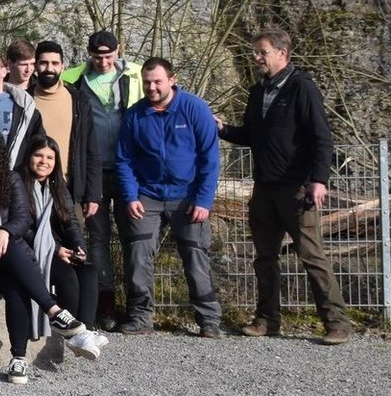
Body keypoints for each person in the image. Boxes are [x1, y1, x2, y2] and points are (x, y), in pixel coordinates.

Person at [218, 29, 351, 344]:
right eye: (256, 52)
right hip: (264, 187)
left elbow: (322, 137)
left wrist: (318, 180)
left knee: (311, 255)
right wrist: (222, 129)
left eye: (262, 52)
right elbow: (251, 135)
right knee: (265, 257)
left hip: (296, 188)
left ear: (282, 53)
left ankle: (336, 323)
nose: (257, 58)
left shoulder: (301, 88)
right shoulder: (257, 92)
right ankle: (267, 320)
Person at [0, 125, 104, 385]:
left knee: (13, 279)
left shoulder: (10, 178)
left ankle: (18, 358)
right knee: (13, 251)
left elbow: (21, 218)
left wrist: (5, 232)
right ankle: (54, 311)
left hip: (8, 255)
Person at [115, 57, 222, 336]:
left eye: (157, 81)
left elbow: (210, 158)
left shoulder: (194, 109)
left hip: (187, 195)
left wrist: (203, 200)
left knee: (195, 254)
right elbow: (124, 160)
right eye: (147, 82)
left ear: (171, 80)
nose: (151, 87)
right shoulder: (135, 115)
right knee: (138, 254)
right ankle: (140, 317)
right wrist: (130, 196)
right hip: (146, 195)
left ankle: (209, 319)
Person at [61, 29, 146, 327]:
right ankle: (104, 303)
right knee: (97, 239)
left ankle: (138, 306)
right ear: (89, 53)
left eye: (109, 56)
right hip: (92, 171)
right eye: (97, 56)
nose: (103, 62)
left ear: (118, 51)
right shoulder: (72, 79)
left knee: (134, 237)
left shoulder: (137, 75)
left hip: (129, 170)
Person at [24, 136, 100, 350]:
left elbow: (71, 222)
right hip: (33, 248)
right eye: (38, 155)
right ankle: (73, 334)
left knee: (89, 271)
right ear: (29, 156)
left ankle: (88, 330)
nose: (44, 161)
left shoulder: (58, 186)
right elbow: (21, 227)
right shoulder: (19, 184)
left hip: (59, 247)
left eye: (50, 157)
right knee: (67, 276)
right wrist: (55, 250)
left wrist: (78, 246)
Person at [28, 40, 100, 224]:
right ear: (36, 65)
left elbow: (91, 149)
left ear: (63, 66)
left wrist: (91, 194)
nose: (49, 68)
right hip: (30, 189)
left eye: (54, 63)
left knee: (73, 247)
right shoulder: (24, 100)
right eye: (43, 63)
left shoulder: (78, 100)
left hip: (69, 189)